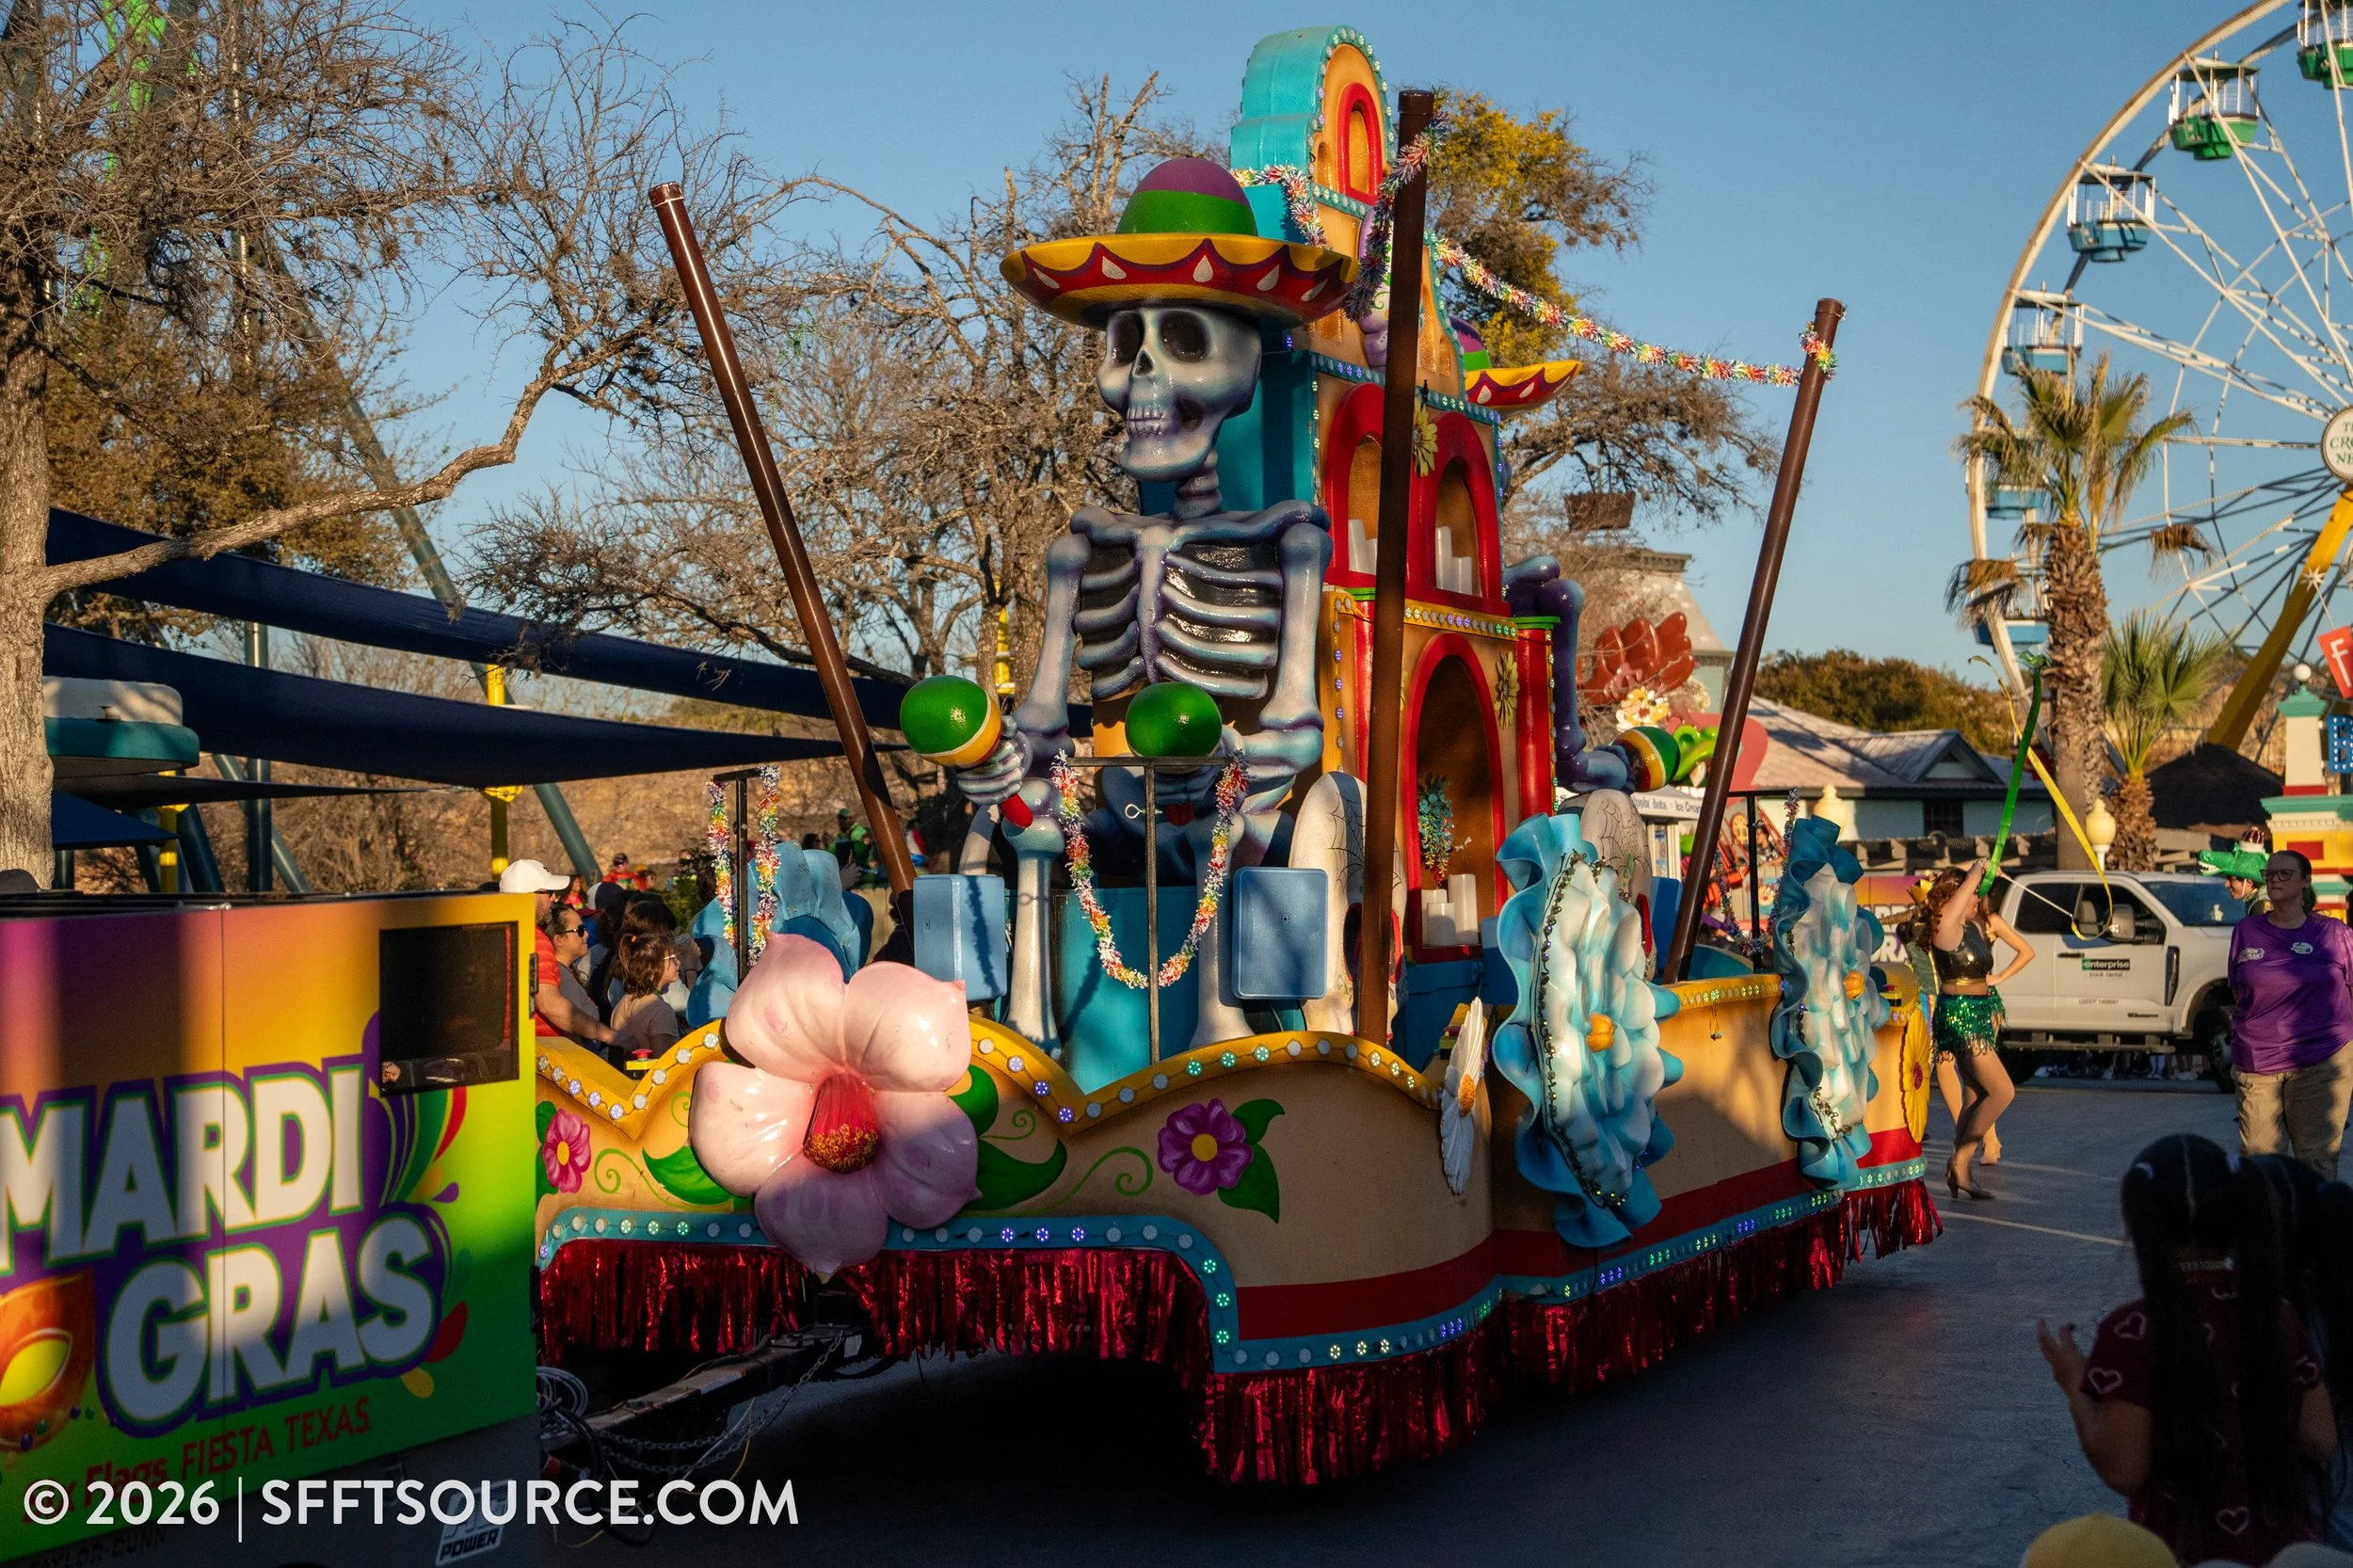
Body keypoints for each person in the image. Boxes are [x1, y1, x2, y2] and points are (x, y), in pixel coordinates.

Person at [2037, 1134, 2336, 1564]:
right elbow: (2321, 1439)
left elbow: (2124, 1469)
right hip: (2281, 1549)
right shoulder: (2277, 1314)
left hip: (2179, 1549)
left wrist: (2074, 1387)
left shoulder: (2133, 1329)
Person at [2229, 851, 2353, 1178]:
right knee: (2259, 1164)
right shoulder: (2246, 931)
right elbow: (2239, 989)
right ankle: (2270, 1229)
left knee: (2316, 1164)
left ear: (2305, 882)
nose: (2274, 880)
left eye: (2284, 874)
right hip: (2257, 1060)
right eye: (2270, 874)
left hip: (2322, 1058)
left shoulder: (2334, 934)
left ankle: (2315, 1229)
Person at [1923, 859, 2034, 1200]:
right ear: (1956, 895)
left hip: (1980, 1013)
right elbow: (1963, 890)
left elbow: (1975, 894)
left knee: (1974, 1094)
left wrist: (1988, 874)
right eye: (1972, 896)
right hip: (1960, 1015)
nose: (1977, 901)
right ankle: (1960, 1161)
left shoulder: (1973, 926)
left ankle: (1962, 1172)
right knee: (2002, 1091)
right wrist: (1974, 871)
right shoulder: (1944, 926)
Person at [504, 859, 614, 1051]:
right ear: (530, 896)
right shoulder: (533, 939)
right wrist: (609, 1035)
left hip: (509, 1051)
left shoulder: (500, 932)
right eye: (548, 892)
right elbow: (549, 1004)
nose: (554, 898)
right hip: (539, 1053)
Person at [608, 933, 682, 1063]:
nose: (679, 962)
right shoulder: (660, 1010)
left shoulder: (623, 1003)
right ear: (650, 967)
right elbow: (662, 1063)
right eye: (672, 958)